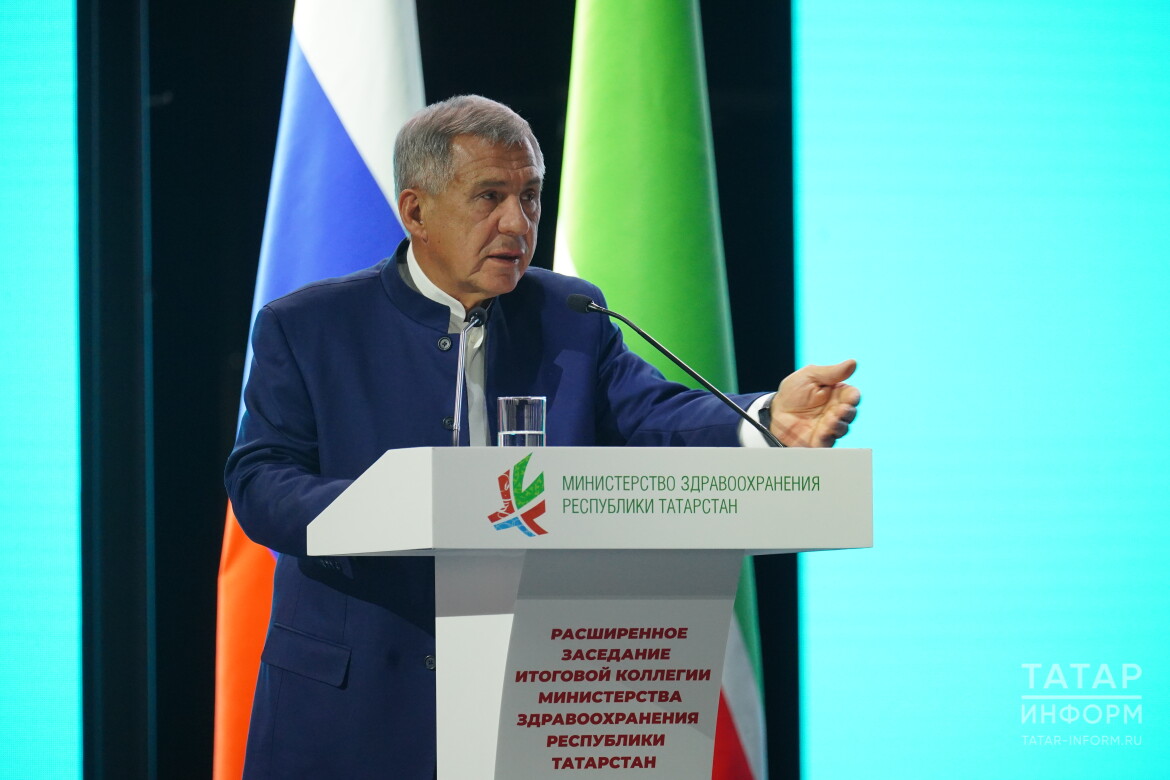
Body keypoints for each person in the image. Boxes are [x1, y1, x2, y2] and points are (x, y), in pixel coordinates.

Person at [225, 94, 859, 778]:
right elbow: (261, 480)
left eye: (529, 196)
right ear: (416, 212)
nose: (517, 222)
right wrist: (393, 506)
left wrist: (766, 417)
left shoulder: (570, 313)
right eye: (489, 197)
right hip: (355, 705)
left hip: (531, 696)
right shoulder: (310, 326)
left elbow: (654, 414)